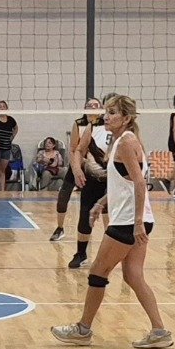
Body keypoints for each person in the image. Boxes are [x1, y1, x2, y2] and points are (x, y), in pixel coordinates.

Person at [51, 93, 172, 349]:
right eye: (107, 112)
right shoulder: (121, 141)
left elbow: (140, 183)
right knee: (133, 275)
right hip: (137, 218)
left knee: (97, 272)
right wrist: (101, 202)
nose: (107, 116)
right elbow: (125, 182)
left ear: (126, 118)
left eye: (113, 113)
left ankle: (83, 329)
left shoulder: (126, 142)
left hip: (129, 221)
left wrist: (137, 222)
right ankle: (160, 331)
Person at [51, 97, 103, 241]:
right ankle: (60, 228)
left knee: (98, 200)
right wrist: (75, 169)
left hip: (96, 167)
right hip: (78, 164)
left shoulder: (104, 125)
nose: (92, 107)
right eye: (89, 105)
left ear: (101, 109)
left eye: (95, 105)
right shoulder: (79, 123)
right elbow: (73, 149)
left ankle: (106, 232)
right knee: (63, 196)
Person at [69, 102, 113, 270]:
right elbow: (79, 150)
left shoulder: (126, 132)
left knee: (112, 217)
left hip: (115, 181)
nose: (109, 116)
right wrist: (77, 170)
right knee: (85, 215)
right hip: (93, 178)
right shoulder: (92, 127)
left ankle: (112, 252)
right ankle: (81, 253)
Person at [0, 100, 19, 192]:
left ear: (6, 108)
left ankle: (2, 192)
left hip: (6, 148)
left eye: (3, 106)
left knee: (2, 171)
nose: (2, 108)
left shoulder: (11, 120)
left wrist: (12, 137)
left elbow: (16, 128)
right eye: (0, 106)